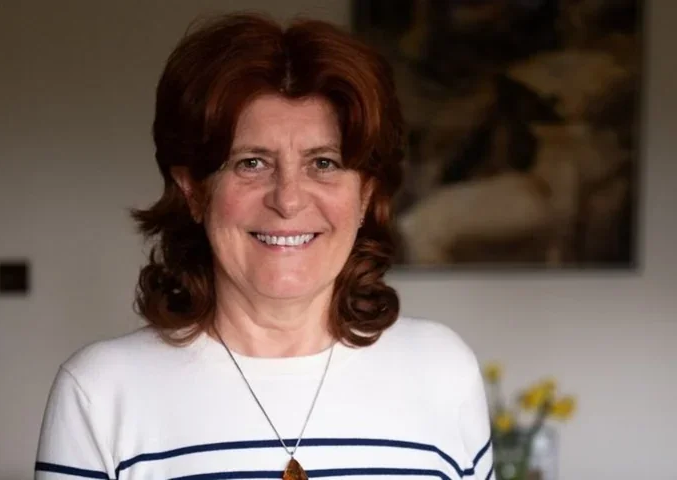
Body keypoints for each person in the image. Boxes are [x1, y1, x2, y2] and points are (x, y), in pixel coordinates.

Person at [34, 12, 494, 480]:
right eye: (252, 163)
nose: (288, 200)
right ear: (194, 191)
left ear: (366, 196)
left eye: (324, 163)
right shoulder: (99, 393)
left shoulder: (443, 371)